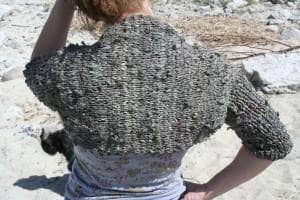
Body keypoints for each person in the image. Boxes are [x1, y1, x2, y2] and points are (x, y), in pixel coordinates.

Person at [23, 0, 293, 199]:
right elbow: (273, 142)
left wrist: (64, 6)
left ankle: (65, 145)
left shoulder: (69, 72)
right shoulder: (215, 71)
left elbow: (36, 69)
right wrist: (207, 191)